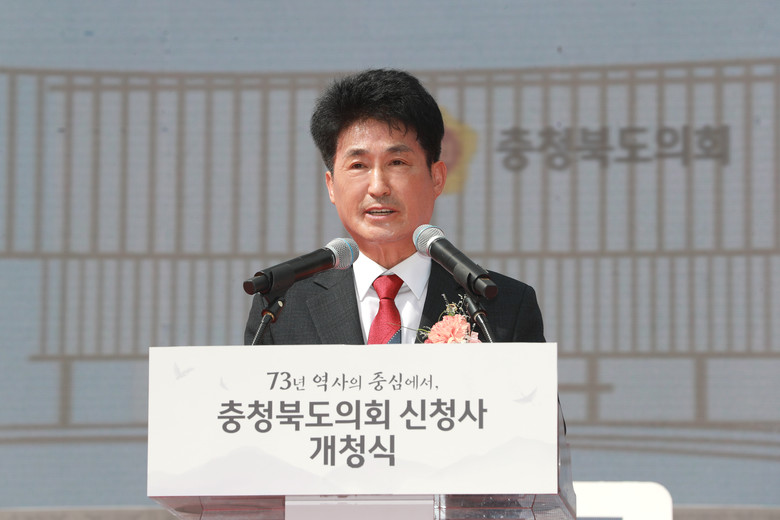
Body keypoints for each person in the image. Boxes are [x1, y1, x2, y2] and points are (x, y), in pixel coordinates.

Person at [244, 68, 545, 346]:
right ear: (331, 185)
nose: (378, 187)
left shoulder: (504, 307)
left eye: (397, 162)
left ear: (437, 178)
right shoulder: (281, 308)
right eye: (358, 165)